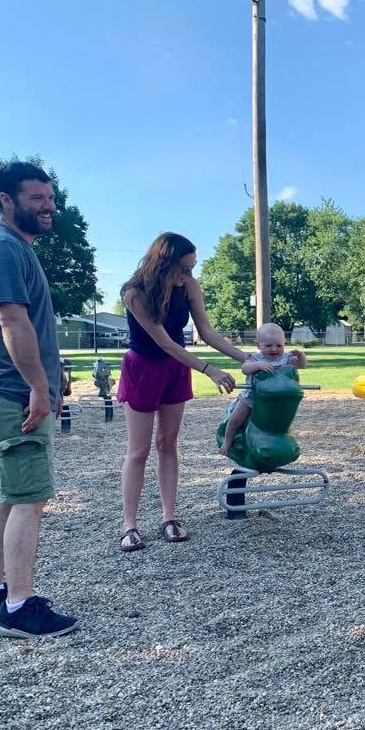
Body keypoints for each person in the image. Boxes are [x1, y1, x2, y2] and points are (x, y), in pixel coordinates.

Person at [0, 160, 78, 638]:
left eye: (50, 198)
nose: (48, 207)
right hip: (13, 392)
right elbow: (11, 322)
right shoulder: (2, 249)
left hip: (4, 391)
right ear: (6, 200)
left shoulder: (10, 248)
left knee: (9, 496)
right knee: (30, 499)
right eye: (36, 199)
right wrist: (37, 388)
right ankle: (18, 606)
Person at [117, 232, 247, 552]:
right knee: (139, 450)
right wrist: (209, 370)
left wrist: (249, 359)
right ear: (163, 265)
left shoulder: (189, 286)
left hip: (175, 369)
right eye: (183, 269)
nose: (188, 276)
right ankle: (129, 525)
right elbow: (164, 342)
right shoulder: (134, 293)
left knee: (168, 443)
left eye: (192, 269)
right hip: (143, 368)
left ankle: (169, 517)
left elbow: (206, 332)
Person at [218, 323, 307, 456]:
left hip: (276, 399)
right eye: (268, 345)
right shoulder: (255, 358)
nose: (274, 349)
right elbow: (244, 369)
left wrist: (300, 356)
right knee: (235, 420)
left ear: (284, 344)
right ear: (258, 345)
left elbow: (302, 365)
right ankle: (227, 442)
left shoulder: (286, 358)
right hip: (252, 397)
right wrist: (258, 366)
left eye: (279, 345)